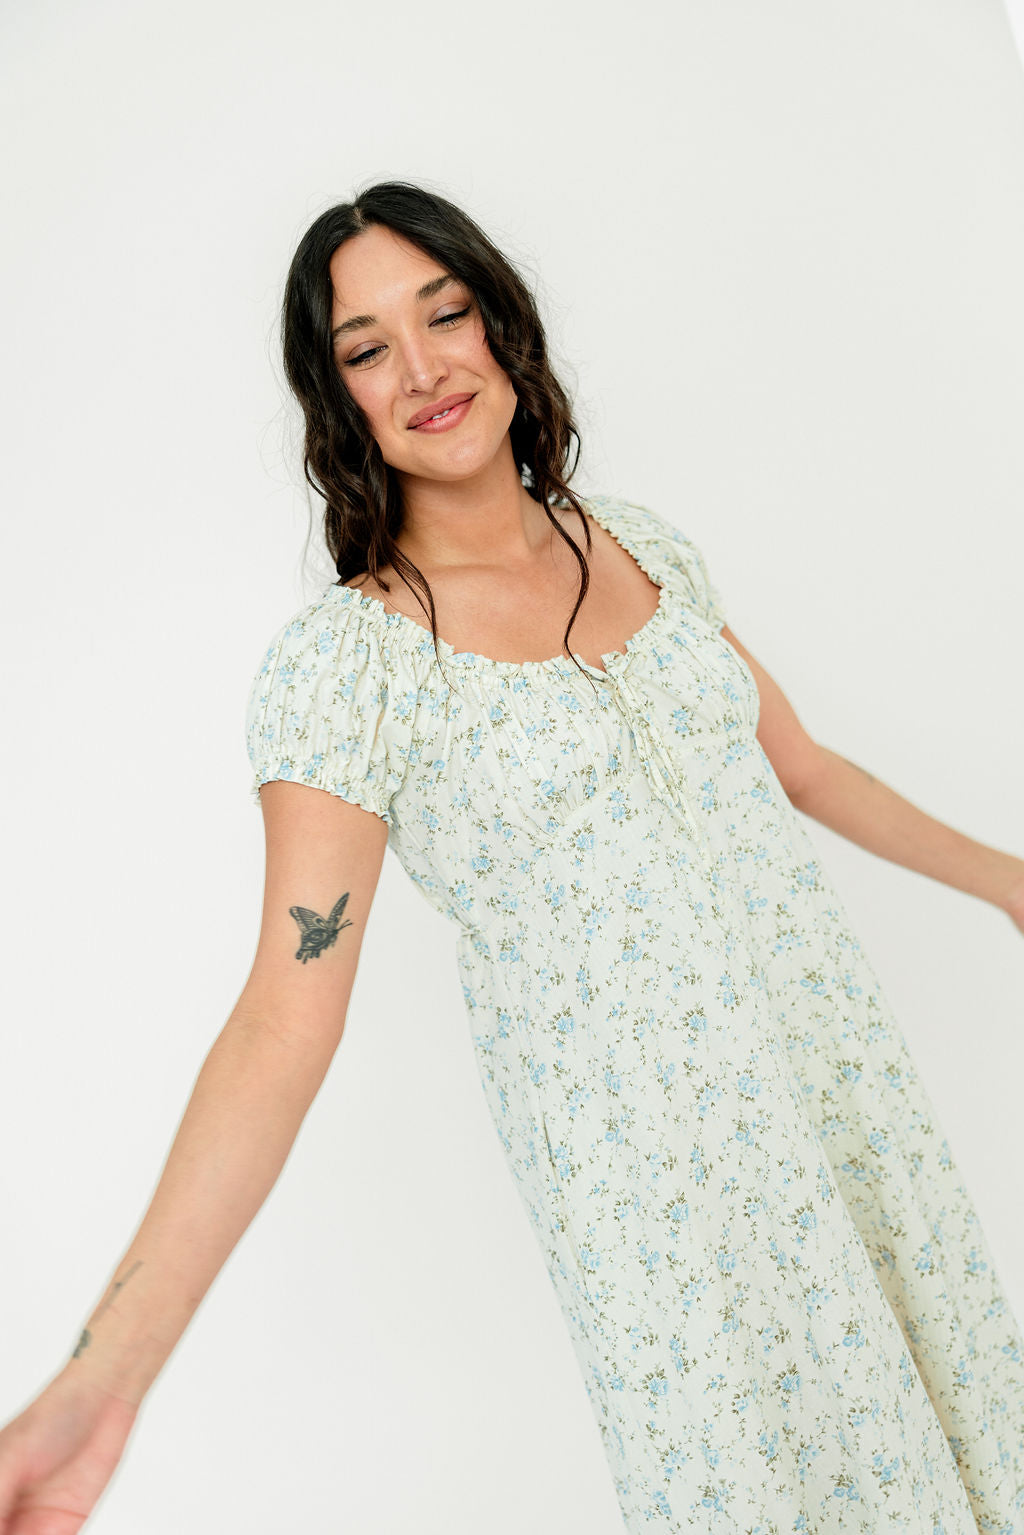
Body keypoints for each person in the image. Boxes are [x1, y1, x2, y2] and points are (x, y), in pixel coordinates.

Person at [1, 179, 1022, 1534]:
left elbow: (804, 768)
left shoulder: (641, 548)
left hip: (838, 1099)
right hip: (665, 1209)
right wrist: (102, 1379)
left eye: (445, 315)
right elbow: (281, 1022)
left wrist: (1012, 884)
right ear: (337, 399)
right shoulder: (353, 667)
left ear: (501, 325)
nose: (423, 369)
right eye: (368, 348)